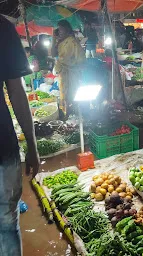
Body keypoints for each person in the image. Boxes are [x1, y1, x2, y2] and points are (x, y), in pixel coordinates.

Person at [0, 15, 39, 255]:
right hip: (2, 148)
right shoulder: (2, 28)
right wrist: (32, 147)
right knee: (5, 223)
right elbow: (16, 91)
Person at [52, 20, 85, 116]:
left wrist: (58, 66)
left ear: (67, 30)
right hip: (64, 74)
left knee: (71, 95)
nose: (59, 31)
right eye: (58, 29)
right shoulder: (61, 42)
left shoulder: (71, 41)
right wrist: (53, 38)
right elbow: (53, 54)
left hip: (72, 74)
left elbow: (64, 60)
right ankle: (67, 114)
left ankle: (73, 115)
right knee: (64, 95)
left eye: (61, 29)